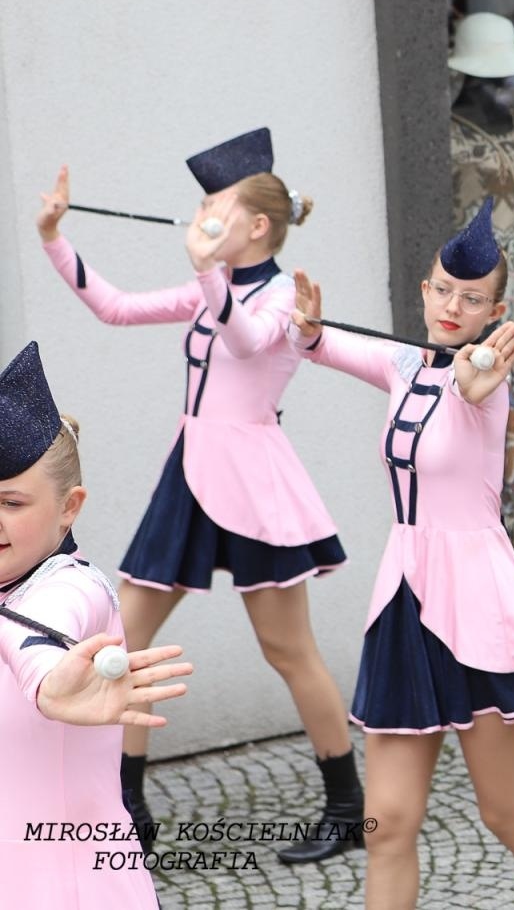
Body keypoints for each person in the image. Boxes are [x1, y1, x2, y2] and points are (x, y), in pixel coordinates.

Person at [36, 131, 360, 864]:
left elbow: (246, 341)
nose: (203, 213)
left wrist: (207, 271)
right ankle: (130, 803)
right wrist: (57, 238)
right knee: (127, 636)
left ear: (257, 226)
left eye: (218, 203)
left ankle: (346, 804)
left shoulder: (286, 298)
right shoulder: (212, 280)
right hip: (190, 472)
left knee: (288, 648)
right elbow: (114, 308)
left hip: (252, 480)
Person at [288, 200, 514, 910]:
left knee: (504, 810)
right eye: (444, 291)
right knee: (387, 821)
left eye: (473, 298)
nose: (454, 306)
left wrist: (476, 373)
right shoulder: (402, 363)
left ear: (494, 308)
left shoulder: (486, 382)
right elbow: (325, 344)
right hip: (405, 603)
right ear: (425, 291)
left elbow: (472, 384)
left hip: (479, 608)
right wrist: (307, 326)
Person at [0, 340, 193, 909]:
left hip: (66, 885)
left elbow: (39, 632)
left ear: (70, 506)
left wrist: (44, 676)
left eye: (12, 503)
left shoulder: (72, 587)